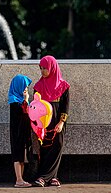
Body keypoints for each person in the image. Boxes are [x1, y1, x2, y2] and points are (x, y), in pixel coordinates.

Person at [32, 55, 70, 187]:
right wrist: (37, 124)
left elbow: (65, 107)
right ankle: (45, 177)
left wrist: (61, 122)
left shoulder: (63, 86)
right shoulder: (38, 86)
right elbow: (35, 107)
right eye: (41, 68)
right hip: (43, 123)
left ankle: (50, 177)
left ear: (52, 68)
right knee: (44, 147)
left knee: (57, 146)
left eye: (45, 68)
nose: (43, 71)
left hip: (58, 123)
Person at [8, 74, 33, 188]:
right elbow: (22, 112)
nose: (25, 90)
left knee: (22, 157)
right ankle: (18, 179)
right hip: (17, 132)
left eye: (26, 88)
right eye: (24, 88)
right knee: (18, 155)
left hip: (23, 131)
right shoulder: (14, 101)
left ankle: (21, 179)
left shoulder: (20, 100)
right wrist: (26, 100)